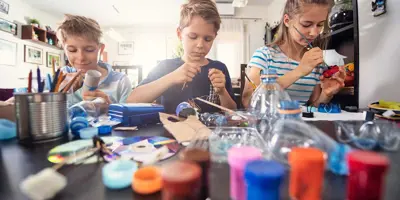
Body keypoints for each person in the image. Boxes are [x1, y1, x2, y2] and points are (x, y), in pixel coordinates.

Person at [127, 0, 236, 114]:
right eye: (193, 37)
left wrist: (222, 92)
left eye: (207, 39)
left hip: (209, 131)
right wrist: (171, 78)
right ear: (179, 34)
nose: (200, 45)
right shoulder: (165, 67)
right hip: (171, 130)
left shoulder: (219, 68)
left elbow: (233, 112)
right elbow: (131, 100)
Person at [242, 0, 346, 108]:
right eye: (306, 24)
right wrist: (299, 71)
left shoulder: (316, 62)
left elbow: (312, 108)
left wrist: (326, 94)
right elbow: (248, 101)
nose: (314, 33)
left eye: (320, 25)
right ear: (287, 21)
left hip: (300, 124)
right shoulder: (264, 55)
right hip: (270, 123)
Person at [57, 14, 132, 106]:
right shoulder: (61, 77)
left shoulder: (121, 82)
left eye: (89, 50)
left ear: (101, 49)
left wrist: (109, 108)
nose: (81, 58)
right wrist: (58, 93)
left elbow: (129, 117)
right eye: (72, 50)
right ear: (64, 50)